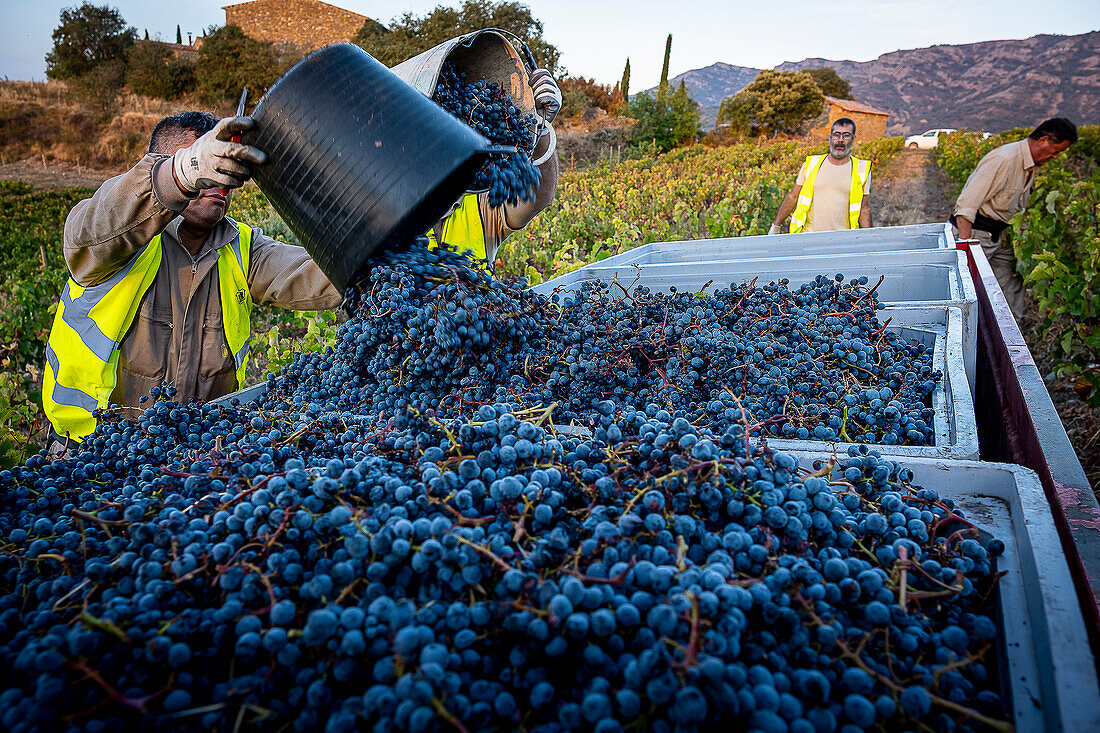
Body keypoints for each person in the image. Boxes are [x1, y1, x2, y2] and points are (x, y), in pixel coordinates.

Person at [43, 111, 341, 452]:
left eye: (225, 170)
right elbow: (88, 229)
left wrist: (398, 253)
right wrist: (184, 173)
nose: (221, 183)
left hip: (193, 461)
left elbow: (323, 274)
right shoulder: (118, 241)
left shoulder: (242, 248)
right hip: (90, 456)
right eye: (210, 165)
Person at [427, 68, 561, 266]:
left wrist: (538, 128)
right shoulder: (383, 209)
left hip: (479, 297)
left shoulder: (477, 203)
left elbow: (538, 196)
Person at [950, 117, 1077, 314]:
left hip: (1001, 234)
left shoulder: (1030, 165)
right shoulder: (1004, 159)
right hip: (976, 233)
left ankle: (1012, 334)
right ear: (1044, 140)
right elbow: (966, 206)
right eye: (1057, 151)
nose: (1055, 157)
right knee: (968, 287)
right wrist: (964, 249)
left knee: (1012, 284)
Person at [769, 117, 872, 235]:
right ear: (830, 138)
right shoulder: (812, 164)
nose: (840, 140)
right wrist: (776, 227)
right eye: (836, 135)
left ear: (853, 139)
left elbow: (864, 208)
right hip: (808, 236)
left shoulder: (862, 169)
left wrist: (868, 237)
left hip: (843, 239)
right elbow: (793, 196)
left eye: (846, 135)